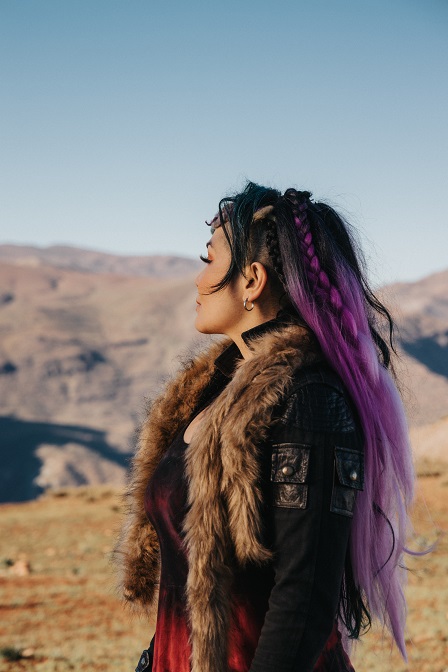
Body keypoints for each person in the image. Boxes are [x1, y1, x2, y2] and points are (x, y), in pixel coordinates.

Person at [114, 183, 415, 672]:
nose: (198, 279)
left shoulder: (309, 403)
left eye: (209, 259)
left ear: (252, 280)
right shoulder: (213, 391)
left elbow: (304, 598)